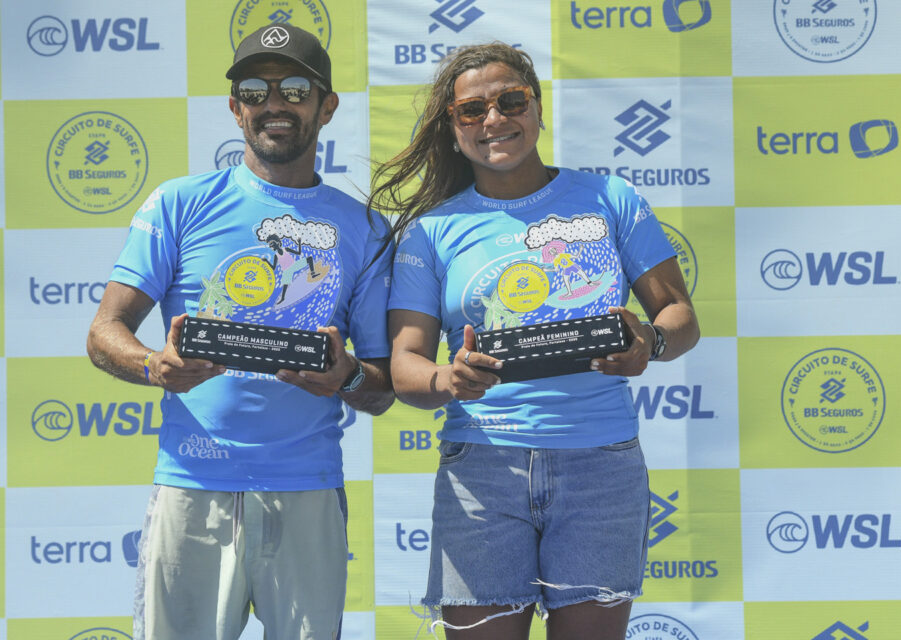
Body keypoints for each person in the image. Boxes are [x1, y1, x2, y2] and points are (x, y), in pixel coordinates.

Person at [369, 42, 699, 639]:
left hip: (602, 465)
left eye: (510, 101)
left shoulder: (611, 200)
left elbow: (680, 315)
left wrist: (648, 341)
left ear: (538, 108)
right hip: (482, 468)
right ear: (454, 128)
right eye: (471, 111)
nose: (494, 119)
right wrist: (450, 378)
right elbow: (405, 368)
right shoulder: (431, 232)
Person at [86, 23, 395, 640]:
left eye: (295, 89)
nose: (273, 104)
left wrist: (348, 376)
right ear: (235, 108)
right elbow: (105, 331)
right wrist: (155, 367)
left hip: (307, 487)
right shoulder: (179, 203)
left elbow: (383, 386)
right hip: (193, 484)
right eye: (254, 90)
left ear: (326, 106)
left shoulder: (364, 227)